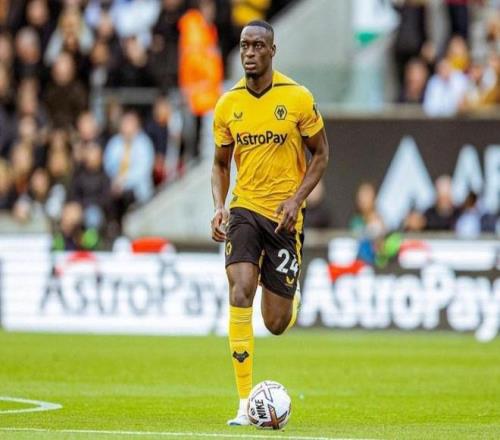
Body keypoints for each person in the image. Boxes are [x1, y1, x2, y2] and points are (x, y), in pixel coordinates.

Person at [210, 20, 329, 426]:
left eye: (258, 45)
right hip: (244, 209)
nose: (249, 52)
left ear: (273, 51)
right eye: (245, 45)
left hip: (283, 217)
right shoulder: (228, 104)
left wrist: (297, 199)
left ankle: (289, 296)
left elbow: (321, 154)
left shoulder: (297, 98)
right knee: (240, 288)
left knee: (275, 323)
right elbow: (220, 164)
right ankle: (244, 402)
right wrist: (219, 206)